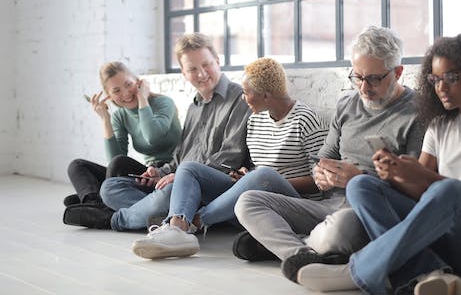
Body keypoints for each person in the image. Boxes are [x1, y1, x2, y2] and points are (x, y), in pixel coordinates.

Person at [293, 33, 461, 295]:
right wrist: (396, 174)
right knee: (361, 184)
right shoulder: (439, 125)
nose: (441, 88)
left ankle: (357, 272)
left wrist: (424, 177)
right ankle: (425, 274)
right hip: (443, 242)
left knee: (450, 191)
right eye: (435, 79)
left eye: (452, 78)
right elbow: (418, 191)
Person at [233, 26, 425, 281]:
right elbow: (322, 157)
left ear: (398, 72)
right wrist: (321, 175)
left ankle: (288, 244)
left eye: (374, 79)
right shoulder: (347, 104)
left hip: (369, 212)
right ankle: (304, 255)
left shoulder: (417, 113)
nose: (364, 87)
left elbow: (417, 189)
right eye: (357, 77)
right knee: (247, 201)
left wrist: (360, 178)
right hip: (327, 205)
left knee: (341, 230)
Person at [130, 57, 330, 259]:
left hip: (291, 205)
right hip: (251, 202)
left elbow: (319, 183)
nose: (243, 98)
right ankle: (177, 229)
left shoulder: (306, 120)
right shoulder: (255, 121)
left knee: (263, 176)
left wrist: (263, 180)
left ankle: (194, 223)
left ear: (266, 95)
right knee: (189, 169)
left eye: (246, 93)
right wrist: (245, 176)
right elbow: (258, 168)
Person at [63, 33, 252, 231]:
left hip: (212, 184)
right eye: (193, 69)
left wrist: (179, 176)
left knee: (170, 191)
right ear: (184, 73)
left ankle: (114, 219)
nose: (202, 74)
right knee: (111, 188)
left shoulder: (238, 98)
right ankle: (165, 214)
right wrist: (160, 172)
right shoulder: (194, 107)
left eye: (206, 65)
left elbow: (230, 157)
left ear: (218, 61)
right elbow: (180, 157)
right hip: (179, 180)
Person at [62, 62, 181, 216]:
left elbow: (152, 137)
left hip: (168, 172)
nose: (125, 93)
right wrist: (106, 119)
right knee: (77, 166)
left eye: (128, 84)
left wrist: (143, 99)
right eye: (116, 90)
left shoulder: (163, 103)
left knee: (120, 163)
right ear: (109, 96)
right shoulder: (120, 116)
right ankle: (93, 202)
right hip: (147, 174)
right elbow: (114, 159)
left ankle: (98, 203)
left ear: (138, 82)